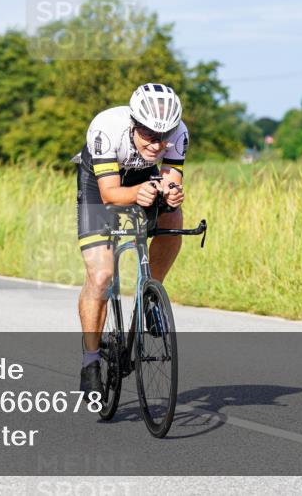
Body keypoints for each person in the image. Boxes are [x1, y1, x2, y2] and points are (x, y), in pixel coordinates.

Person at [74, 84, 188, 392]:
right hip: (101, 184)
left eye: (164, 137)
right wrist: (137, 194)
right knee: (101, 276)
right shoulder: (106, 129)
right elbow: (110, 195)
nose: (157, 144)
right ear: (134, 124)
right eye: (149, 135)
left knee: (173, 216)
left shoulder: (177, 133)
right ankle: (91, 358)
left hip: (142, 177)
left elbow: (172, 177)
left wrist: (171, 193)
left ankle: (151, 297)